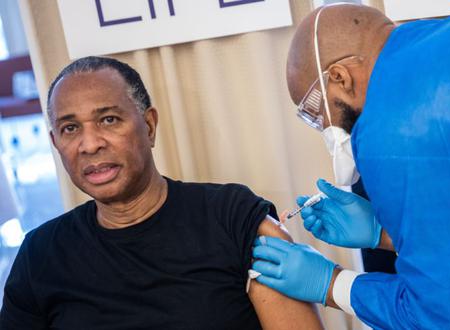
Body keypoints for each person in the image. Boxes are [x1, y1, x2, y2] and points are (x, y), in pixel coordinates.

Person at [252, 1, 450, 329]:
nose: (322, 125)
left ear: (339, 78)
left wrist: (331, 284)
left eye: (313, 110)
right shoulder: (436, 53)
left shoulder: (391, 122)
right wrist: (387, 234)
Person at [0, 56, 323, 329]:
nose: (90, 144)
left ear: (149, 126)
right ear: (56, 143)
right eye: (70, 128)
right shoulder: (40, 256)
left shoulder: (232, 218)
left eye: (109, 120)